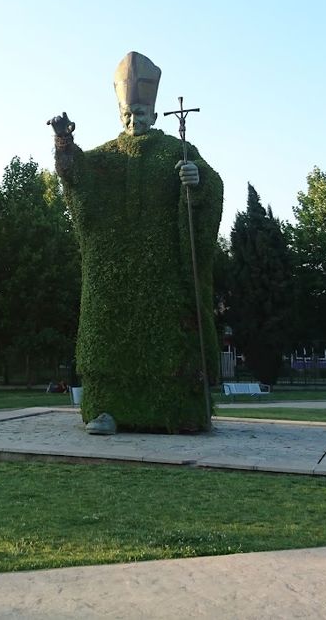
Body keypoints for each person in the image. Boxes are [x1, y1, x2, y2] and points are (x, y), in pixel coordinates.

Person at [50, 51, 222, 433]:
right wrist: (63, 141)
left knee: (167, 340)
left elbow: (208, 183)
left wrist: (197, 182)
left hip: (163, 271)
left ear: (155, 115)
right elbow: (77, 176)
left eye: (140, 113)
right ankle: (105, 410)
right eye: (127, 114)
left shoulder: (174, 151)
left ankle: (177, 411)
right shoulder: (106, 157)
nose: (133, 119)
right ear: (119, 114)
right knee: (108, 337)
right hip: (110, 272)